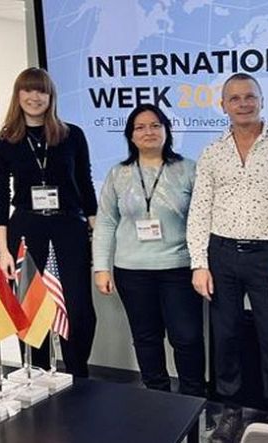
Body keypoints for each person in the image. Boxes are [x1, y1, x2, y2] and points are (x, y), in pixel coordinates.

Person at [187, 73, 268, 442]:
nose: (243, 104)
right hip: (221, 254)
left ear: (261, 101)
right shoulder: (212, 152)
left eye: (249, 97)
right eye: (235, 98)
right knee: (225, 337)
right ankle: (231, 411)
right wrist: (199, 263)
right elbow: (200, 210)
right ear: (223, 105)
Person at [0, 67, 97, 377]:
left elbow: (85, 184)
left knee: (79, 309)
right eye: (28, 90)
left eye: (42, 91)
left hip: (69, 227)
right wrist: (4, 250)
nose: (35, 97)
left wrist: (96, 232)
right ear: (18, 95)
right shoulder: (4, 141)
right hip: (26, 229)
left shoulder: (71, 135)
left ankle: (77, 373)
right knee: (30, 307)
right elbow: (0, 195)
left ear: (51, 97)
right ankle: (35, 374)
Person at [93, 103, 205, 397]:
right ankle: (157, 399)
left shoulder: (188, 169)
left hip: (179, 268)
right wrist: (101, 267)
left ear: (167, 130)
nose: (149, 132)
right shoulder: (118, 174)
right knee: (146, 339)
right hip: (132, 271)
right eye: (140, 127)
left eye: (155, 125)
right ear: (130, 135)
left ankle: (194, 400)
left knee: (187, 338)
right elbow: (106, 222)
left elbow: (203, 219)